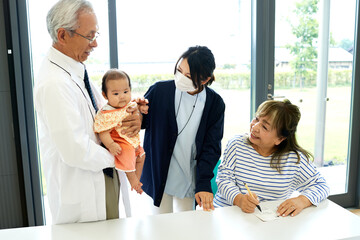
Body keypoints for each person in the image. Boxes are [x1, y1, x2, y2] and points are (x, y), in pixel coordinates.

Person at [33, 0, 142, 224]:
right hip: (83, 192)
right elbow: (75, 150)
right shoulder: (54, 83)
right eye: (90, 36)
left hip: (102, 177)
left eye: (96, 35)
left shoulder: (75, 69)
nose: (95, 44)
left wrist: (131, 115)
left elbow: (101, 114)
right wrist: (121, 156)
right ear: (62, 35)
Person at [140, 46, 225, 213]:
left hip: (189, 175)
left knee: (185, 226)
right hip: (159, 173)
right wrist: (136, 111)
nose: (180, 78)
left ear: (204, 80)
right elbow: (142, 122)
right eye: (179, 70)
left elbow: (212, 147)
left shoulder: (214, 104)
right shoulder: (159, 91)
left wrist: (204, 182)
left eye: (188, 76)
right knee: (159, 225)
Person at [213, 99, 330, 217]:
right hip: (227, 214)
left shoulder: (294, 160)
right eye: (257, 119)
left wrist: (302, 200)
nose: (255, 127)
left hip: (266, 221)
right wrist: (238, 199)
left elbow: (321, 185)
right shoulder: (236, 145)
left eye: (264, 127)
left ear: (280, 139)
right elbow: (224, 178)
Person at [94, 69, 147, 194]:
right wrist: (111, 145)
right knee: (128, 154)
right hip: (119, 142)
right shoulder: (106, 113)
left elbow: (137, 107)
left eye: (125, 91)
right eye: (116, 94)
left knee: (141, 156)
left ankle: (137, 180)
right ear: (105, 95)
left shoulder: (128, 105)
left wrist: (142, 108)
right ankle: (133, 181)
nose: (122, 96)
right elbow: (103, 132)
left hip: (131, 140)